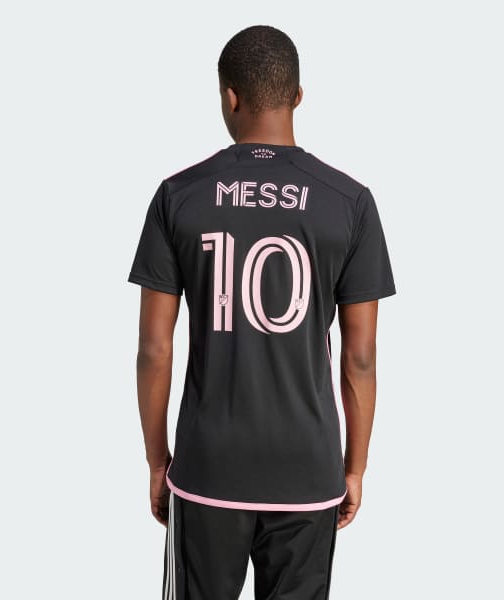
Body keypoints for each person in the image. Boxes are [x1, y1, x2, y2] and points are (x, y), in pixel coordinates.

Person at [127, 24, 396, 600]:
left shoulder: (179, 195)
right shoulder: (350, 202)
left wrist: (156, 461)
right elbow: (361, 356)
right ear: (298, 95)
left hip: (208, 467)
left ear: (229, 97)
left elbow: (154, 348)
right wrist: (354, 467)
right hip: (308, 470)